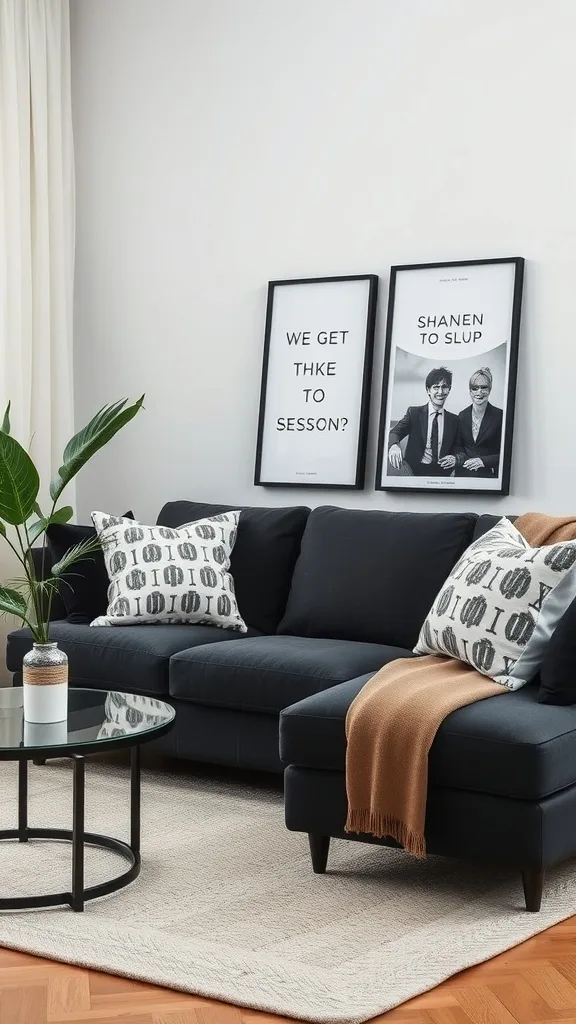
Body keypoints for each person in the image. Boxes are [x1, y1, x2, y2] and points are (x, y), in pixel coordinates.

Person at [388, 367, 460, 476]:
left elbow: (459, 447)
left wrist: (456, 458)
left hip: (443, 474)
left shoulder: (454, 420)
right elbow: (395, 432)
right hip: (414, 472)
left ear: (449, 389)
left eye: (444, 387)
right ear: (428, 390)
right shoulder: (414, 413)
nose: (440, 392)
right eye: (436, 387)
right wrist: (393, 446)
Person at [455, 367, 503, 479]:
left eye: (484, 388)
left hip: (488, 476)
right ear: (470, 391)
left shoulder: (500, 416)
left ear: (490, 390)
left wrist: (483, 461)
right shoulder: (462, 415)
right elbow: (458, 446)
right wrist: (464, 460)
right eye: (475, 388)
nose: (479, 392)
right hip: (463, 475)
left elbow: (506, 452)